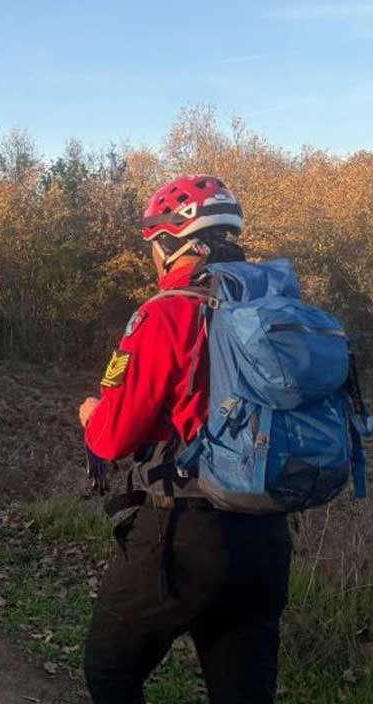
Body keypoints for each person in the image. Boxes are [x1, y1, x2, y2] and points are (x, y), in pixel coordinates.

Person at [78, 176, 291, 704]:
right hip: (267, 536)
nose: (151, 258)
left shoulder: (166, 312)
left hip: (187, 531)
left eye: (152, 246)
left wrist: (91, 416)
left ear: (174, 241)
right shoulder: (275, 311)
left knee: (110, 669)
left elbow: (113, 438)